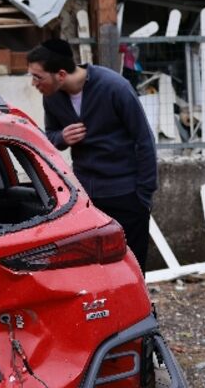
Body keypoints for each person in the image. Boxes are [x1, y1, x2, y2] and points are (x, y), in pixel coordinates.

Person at [27, 38, 158, 269]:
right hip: (86, 197)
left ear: (60, 74)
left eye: (38, 77)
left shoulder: (114, 87)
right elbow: (50, 137)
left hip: (126, 194)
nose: (33, 83)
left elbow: (145, 140)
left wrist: (143, 196)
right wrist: (61, 138)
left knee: (131, 267)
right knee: (94, 269)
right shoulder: (52, 97)